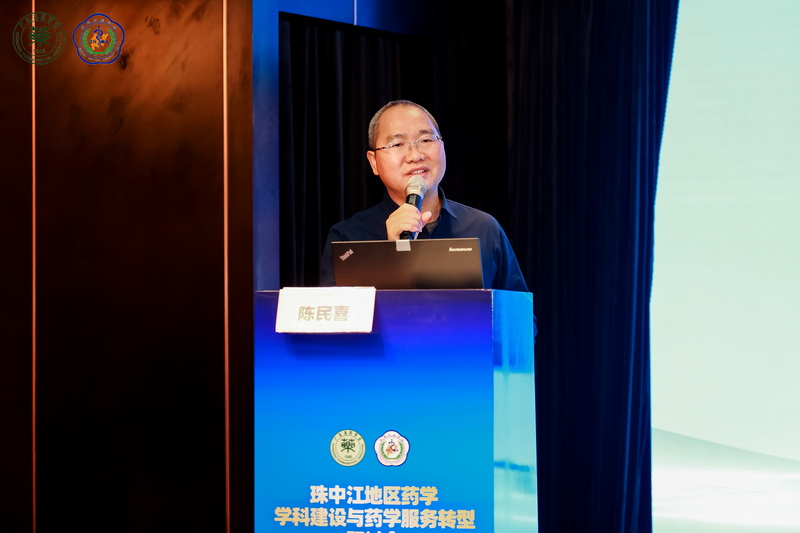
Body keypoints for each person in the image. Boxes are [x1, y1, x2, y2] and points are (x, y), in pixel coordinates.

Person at [319, 100, 529, 292]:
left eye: (426, 139)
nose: (416, 155)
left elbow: (520, 314)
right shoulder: (348, 239)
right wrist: (390, 254)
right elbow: (339, 317)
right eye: (397, 144)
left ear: (442, 147)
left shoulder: (483, 228)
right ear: (374, 162)